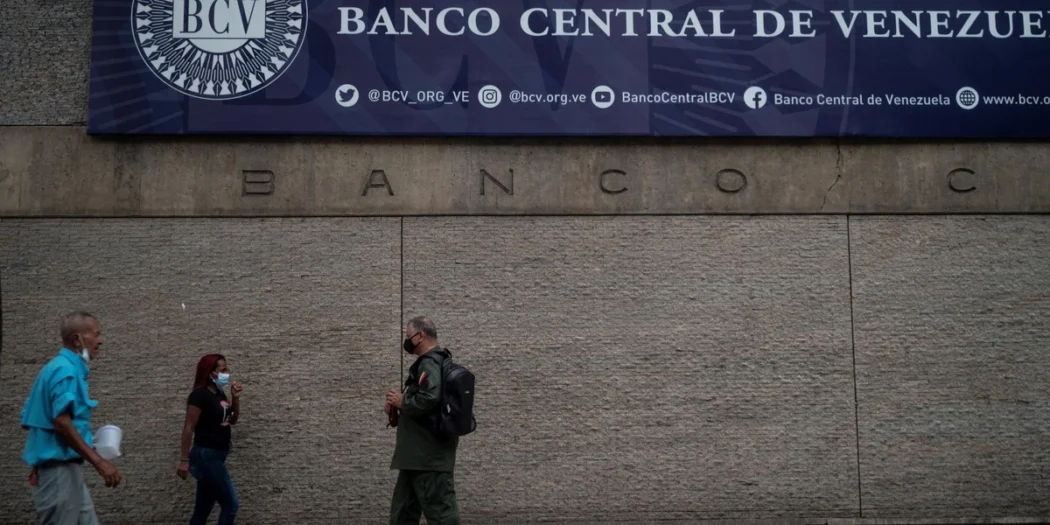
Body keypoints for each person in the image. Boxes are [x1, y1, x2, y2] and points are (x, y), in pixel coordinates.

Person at [20, 311, 122, 525]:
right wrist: (99, 462)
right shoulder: (65, 371)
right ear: (77, 340)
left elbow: (51, 421)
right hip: (59, 472)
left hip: (66, 470)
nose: (101, 341)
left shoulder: (62, 368)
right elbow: (62, 423)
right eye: (96, 334)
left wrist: (88, 442)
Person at [385, 316, 460, 525]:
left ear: (421, 336)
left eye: (409, 336)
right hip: (415, 458)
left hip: (428, 459)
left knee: (442, 516)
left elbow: (430, 398)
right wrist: (399, 407)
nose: (407, 340)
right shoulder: (437, 362)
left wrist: (403, 401)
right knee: (402, 516)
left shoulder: (430, 363)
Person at [176, 354, 243, 525]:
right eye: (223, 370)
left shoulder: (219, 394)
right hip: (205, 455)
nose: (226, 373)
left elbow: (232, 420)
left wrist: (235, 398)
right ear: (211, 372)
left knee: (202, 510)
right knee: (230, 504)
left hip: (218, 454)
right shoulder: (199, 395)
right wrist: (184, 459)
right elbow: (188, 427)